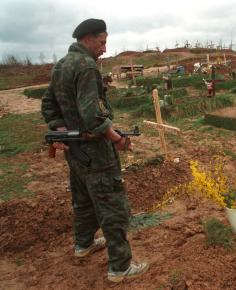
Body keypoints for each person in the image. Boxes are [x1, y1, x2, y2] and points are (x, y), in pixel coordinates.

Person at [41, 18, 149, 283]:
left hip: (76, 152)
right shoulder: (86, 67)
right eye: (102, 42)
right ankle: (120, 268)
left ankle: (83, 244)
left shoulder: (61, 66)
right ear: (88, 38)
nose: (105, 48)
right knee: (112, 207)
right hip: (96, 152)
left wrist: (60, 128)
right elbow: (93, 117)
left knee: (83, 200)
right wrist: (117, 139)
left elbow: (48, 105)